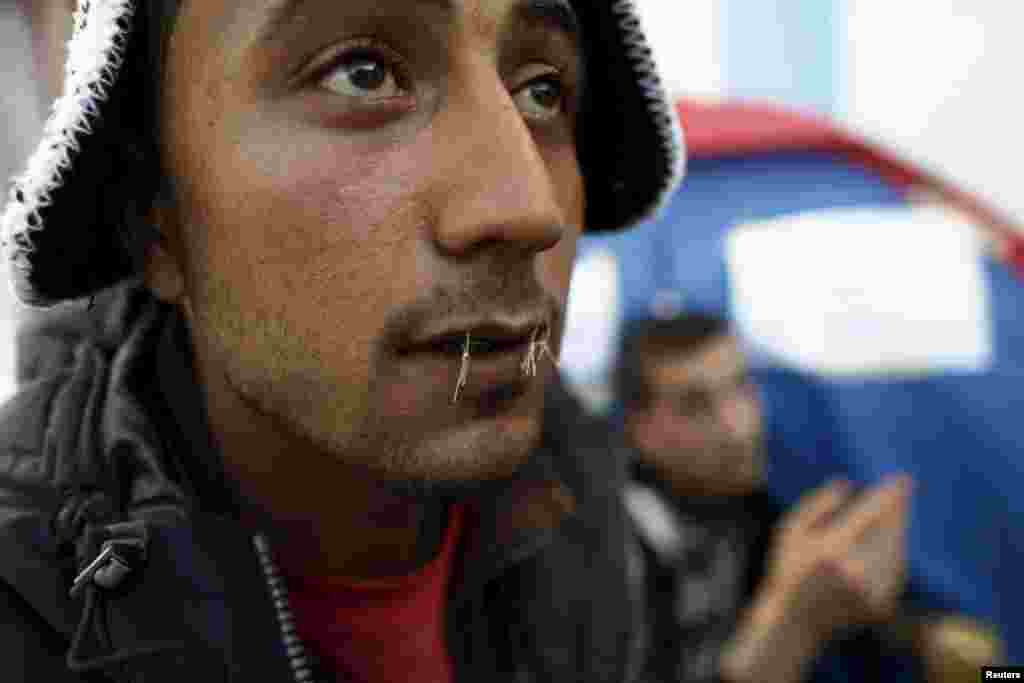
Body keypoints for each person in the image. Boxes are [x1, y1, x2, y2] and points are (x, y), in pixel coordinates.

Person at [0, 1, 684, 681]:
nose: (529, 207)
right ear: (153, 215)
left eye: (543, 91)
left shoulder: (591, 500)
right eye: (362, 73)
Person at [618, 313, 919, 683]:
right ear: (639, 428)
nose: (737, 427)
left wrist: (918, 638)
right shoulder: (606, 549)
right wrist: (792, 617)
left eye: (741, 387)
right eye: (694, 405)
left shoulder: (766, 511)